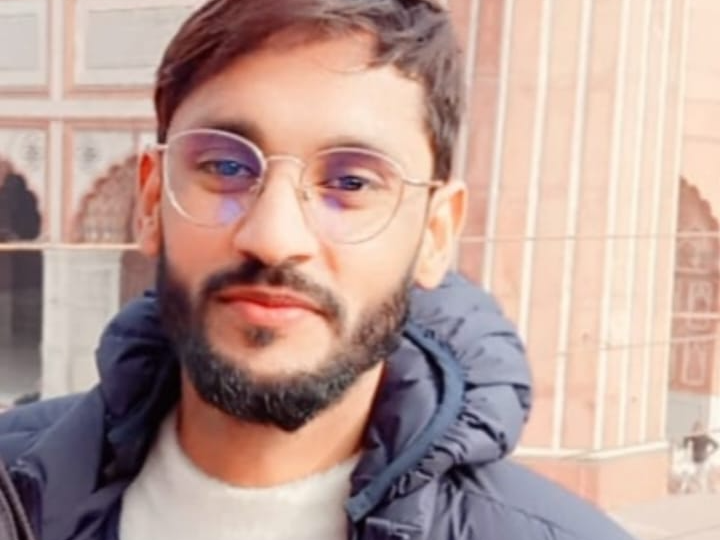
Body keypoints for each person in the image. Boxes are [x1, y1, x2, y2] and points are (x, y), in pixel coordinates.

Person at [0, 1, 635, 539]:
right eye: (225, 168)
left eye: (351, 182)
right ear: (150, 201)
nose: (273, 237)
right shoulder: (17, 493)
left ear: (436, 232)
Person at [682, 420, 719, 493]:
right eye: (695, 429)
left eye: (698, 429)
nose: (697, 431)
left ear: (701, 429)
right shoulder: (694, 437)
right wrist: (686, 447)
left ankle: (704, 490)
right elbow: (685, 440)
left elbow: (716, 445)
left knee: (702, 476)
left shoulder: (705, 437)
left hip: (703, 459)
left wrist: (709, 453)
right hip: (695, 459)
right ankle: (698, 489)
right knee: (693, 475)